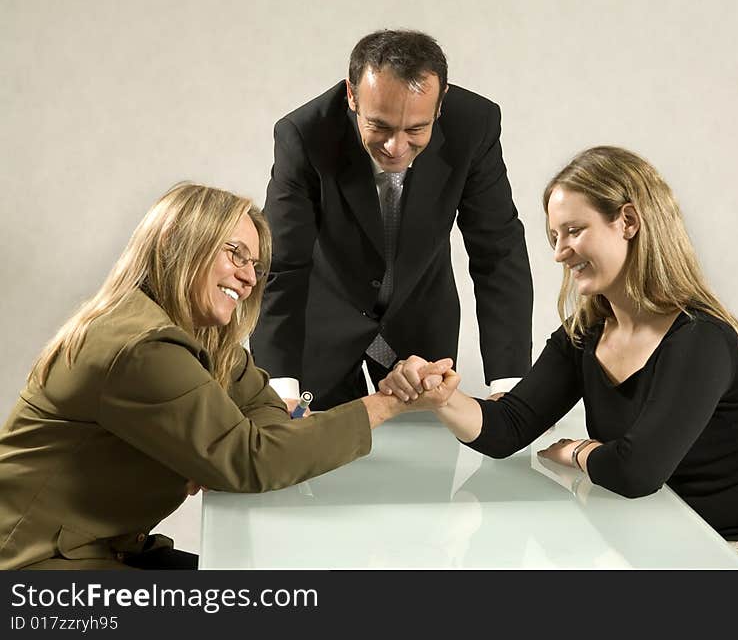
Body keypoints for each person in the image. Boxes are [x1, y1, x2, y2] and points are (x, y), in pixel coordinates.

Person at [379, 146, 738, 570]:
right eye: (554, 237)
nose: (559, 253)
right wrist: (443, 399)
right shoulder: (585, 335)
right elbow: (507, 429)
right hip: (658, 542)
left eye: (574, 231)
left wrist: (579, 452)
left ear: (628, 222)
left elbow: (637, 471)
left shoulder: (702, 339)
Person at [0, 183, 454, 570]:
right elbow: (253, 459)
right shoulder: (142, 346)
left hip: (100, 548)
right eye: (235, 253)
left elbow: (265, 420)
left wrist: (233, 454)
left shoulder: (206, 343)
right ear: (180, 241)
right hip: (34, 566)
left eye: (255, 267)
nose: (248, 277)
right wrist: (388, 402)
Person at [249, 29, 533, 411]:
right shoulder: (304, 134)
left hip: (420, 327)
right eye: (379, 126)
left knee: (426, 462)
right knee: (317, 461)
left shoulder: (474, 125)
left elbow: (498, 252)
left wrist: (512, 385)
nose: (395, 147)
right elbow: (283, 265)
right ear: (352, 95)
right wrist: (280, 384)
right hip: (321, 331)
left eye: (416, 129)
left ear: (440, 102)